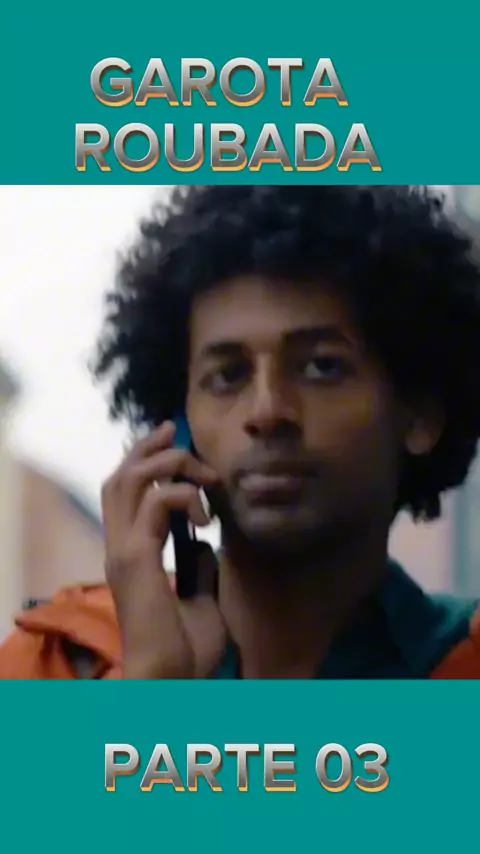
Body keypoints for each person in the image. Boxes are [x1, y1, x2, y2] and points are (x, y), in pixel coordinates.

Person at [2, 185, 480, 679]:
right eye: (228, 376)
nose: (267, 410)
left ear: (420, 414)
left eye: (321, 367)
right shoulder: (51, 665)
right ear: (177, 429)